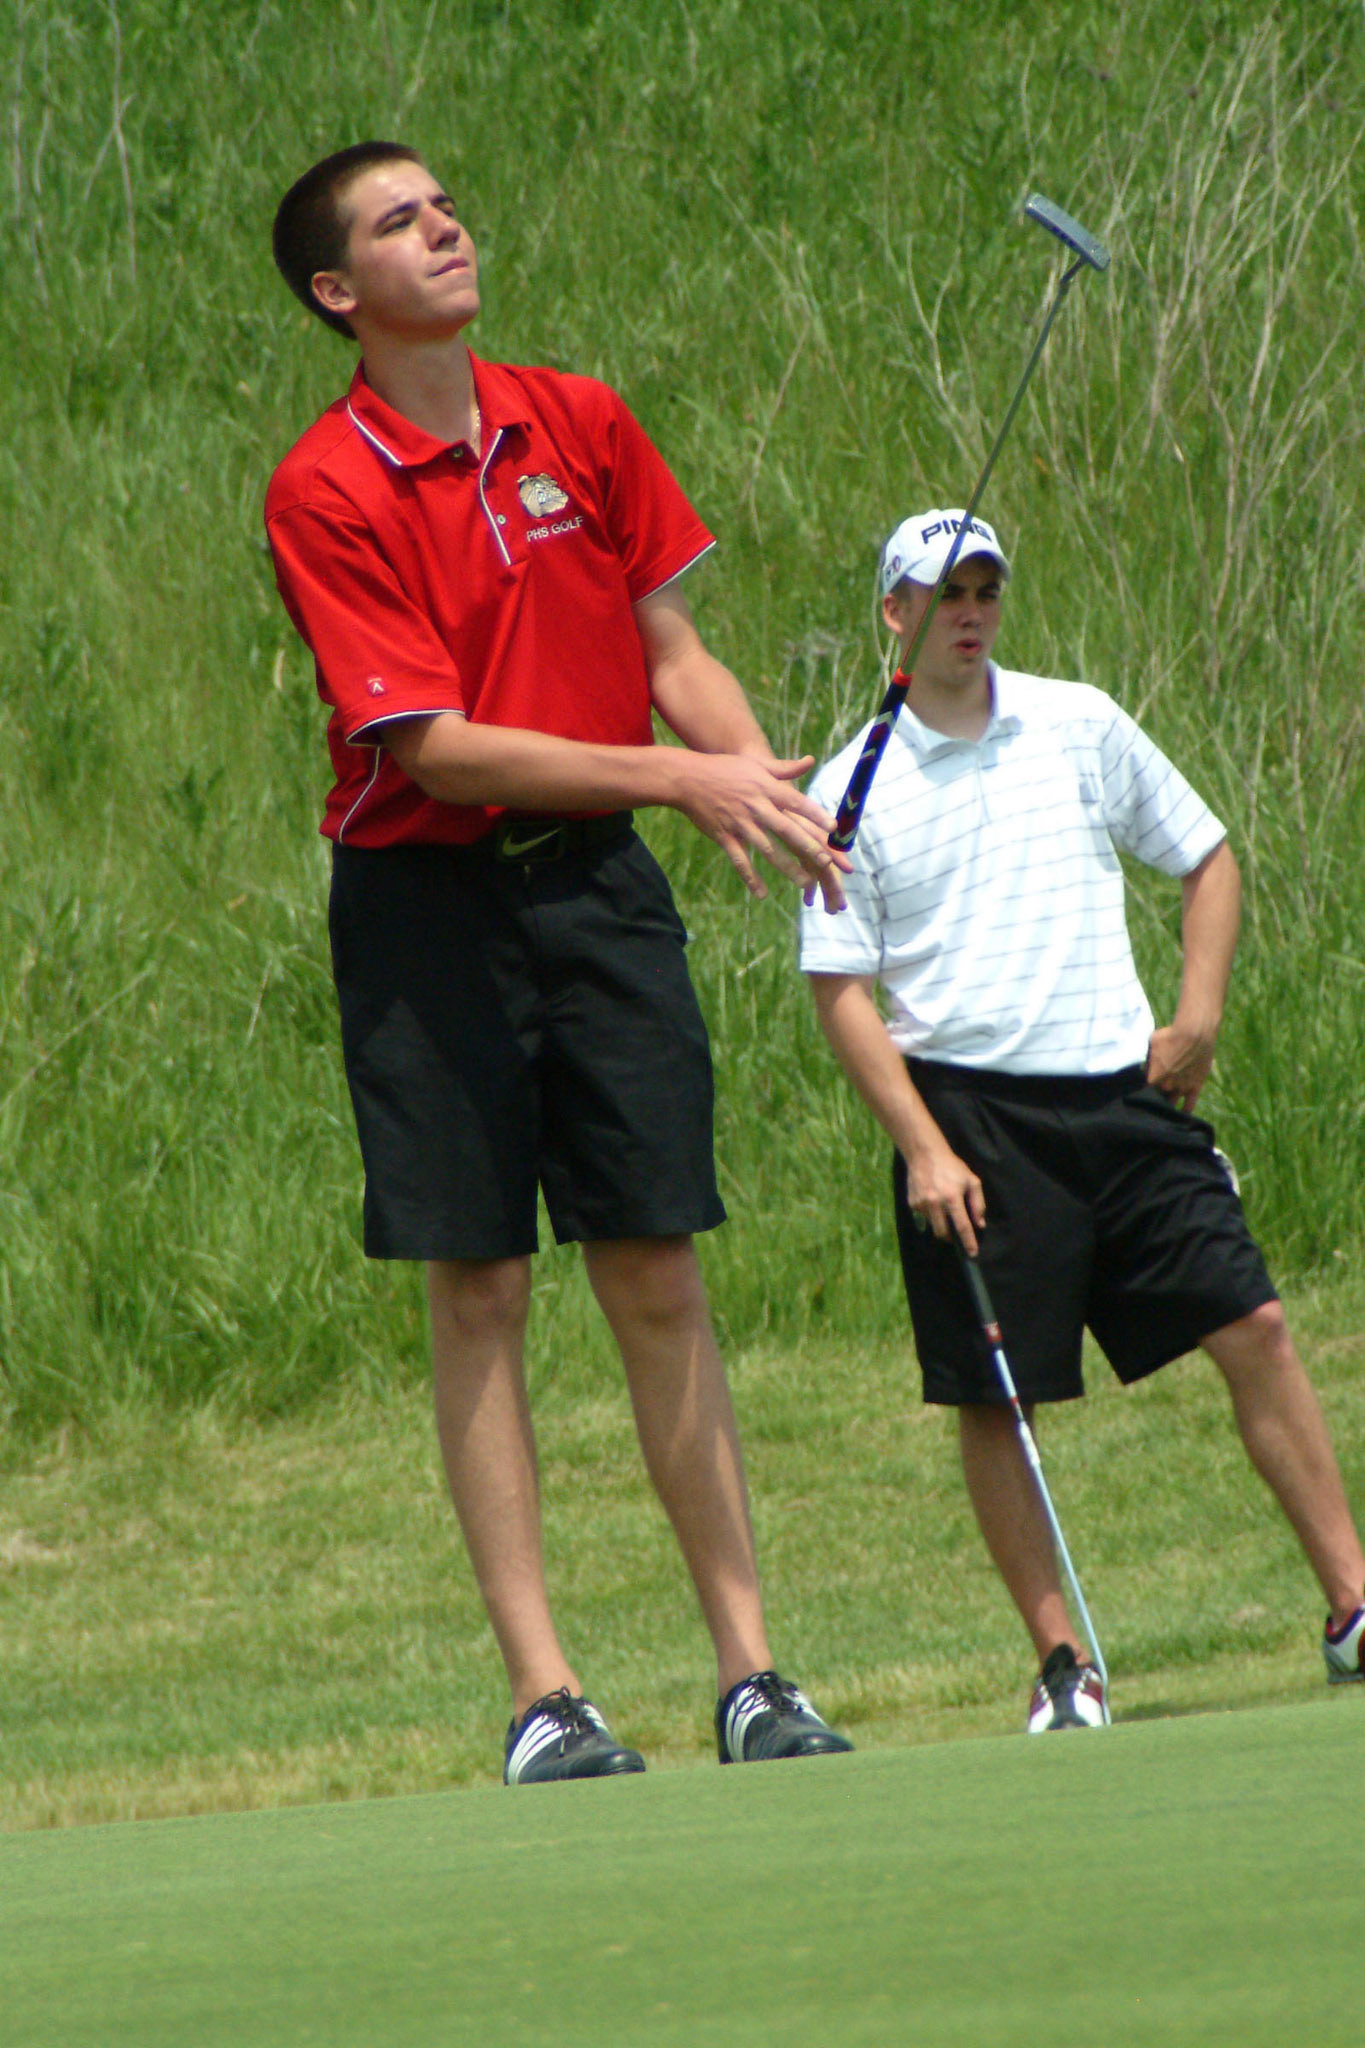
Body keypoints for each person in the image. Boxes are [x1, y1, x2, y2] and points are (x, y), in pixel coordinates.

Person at [264, 141, 854, 1782]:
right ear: (340, 293)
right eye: (399, 223)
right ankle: (547, 1699)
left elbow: (674, 656)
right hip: (423, 909)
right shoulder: (326, 485)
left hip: (598, 892)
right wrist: (693, 781)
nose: (443, 228)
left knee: (656, 1264)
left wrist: (774, 795)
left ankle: (751, 1675)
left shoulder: (577, 419)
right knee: (485, 1283)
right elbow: (440, 751)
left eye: (446, 203)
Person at [799, 506, 1365, 1731]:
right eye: (943, 590)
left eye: (986, 587)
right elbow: (838, 984)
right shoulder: (853, 782)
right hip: (973, 1119)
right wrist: (923, 1147)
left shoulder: (1079, 720)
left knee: (1256, 1321)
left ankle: (1354, 1605)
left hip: (1124, 1094)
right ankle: (1066, 1664)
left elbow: (1206, 856)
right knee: (1001, 1400)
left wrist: (1198, 1013)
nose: (969, 609)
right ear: (893, 613)